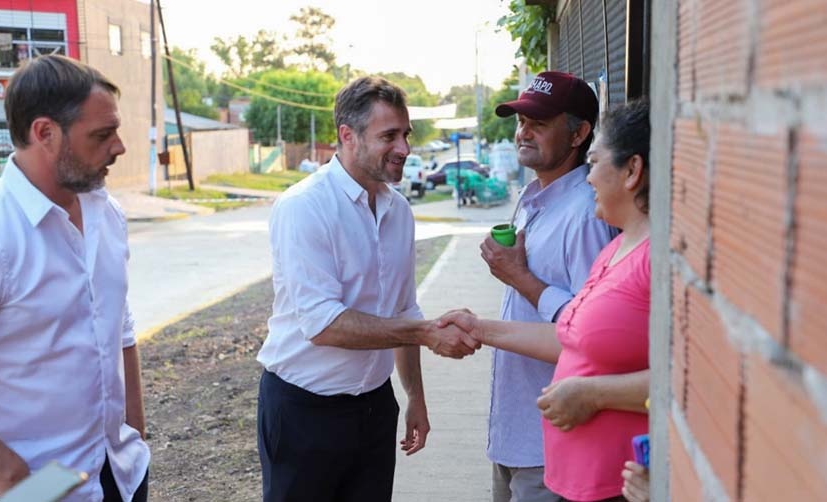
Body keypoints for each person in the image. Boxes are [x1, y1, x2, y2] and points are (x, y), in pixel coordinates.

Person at [255, 76, 479, 502]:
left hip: (375, 408)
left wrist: (414, 395)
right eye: (389, 136)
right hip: (304, 410)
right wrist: (426, 333)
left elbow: (404, 309)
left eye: (406, 134)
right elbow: (324, 325)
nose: (405, 149)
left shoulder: (399, 211)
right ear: (347, 136)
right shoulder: (304, 207)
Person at [441, 99, 651, 502]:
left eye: (594, 164)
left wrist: (592, 393)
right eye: (522, 122)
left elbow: (683, 380)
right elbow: (571, 336)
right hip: (565, 472)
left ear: (632, 171)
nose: (588, 178)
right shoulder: (617, 249)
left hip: (607, 481)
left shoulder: (651, 257)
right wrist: (480, 328)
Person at [0, 55, 149, 501]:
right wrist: (8, 476)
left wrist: (134, 430)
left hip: (120, 473)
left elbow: (120, 324)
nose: (119, 147)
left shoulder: (106, 212)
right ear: (45, 133)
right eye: (102, 135)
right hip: (35, 489)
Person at [482, 71, 617, 502]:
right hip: (516, 433)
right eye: (521, 121)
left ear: (578, 134)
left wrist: (518, 277)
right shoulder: (533, 197)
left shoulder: (585, 215)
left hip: (552, 446)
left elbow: (592, 337)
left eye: (539, 123)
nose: (524, 132)